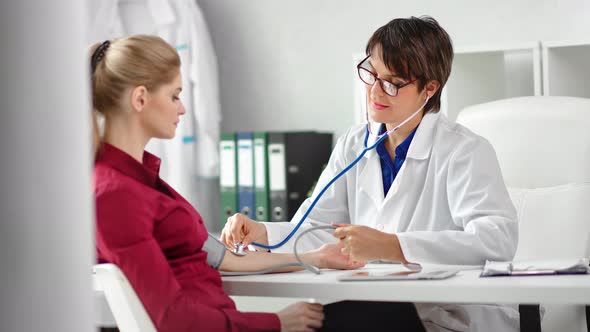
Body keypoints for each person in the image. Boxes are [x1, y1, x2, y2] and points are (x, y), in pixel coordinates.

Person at [221, 16, 520, 332]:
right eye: (371, 74)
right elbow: (316, 229)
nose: (375, 91)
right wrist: (262, 233)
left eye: (392, 82)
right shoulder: (355, 143)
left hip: (450, 316)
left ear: (429, 88)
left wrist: (394, 246)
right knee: (314, 321)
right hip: (376, 304)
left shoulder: (464, 150)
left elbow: (495, 240)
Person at [91, 35, 367, 332]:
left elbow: (221, 257)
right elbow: (174, 319)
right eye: (174, 96)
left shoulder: (142, 182)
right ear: (140, 99)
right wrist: (277, 322)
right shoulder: (116, 195)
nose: (182, 109)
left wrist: (315, 257)